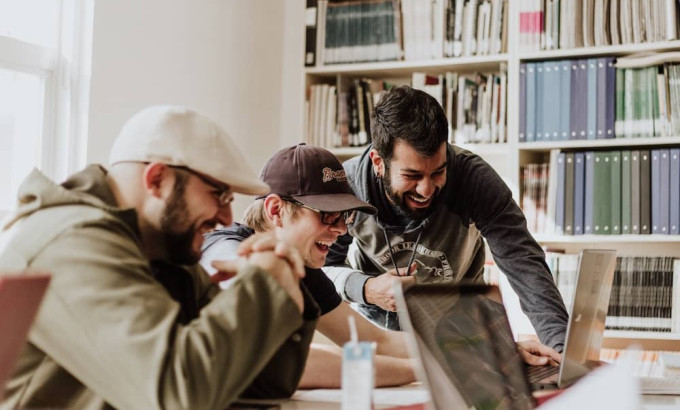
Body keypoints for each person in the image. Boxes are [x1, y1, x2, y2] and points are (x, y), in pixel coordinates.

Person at [0, 106, 315, 409]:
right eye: (218, 194)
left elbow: (261, 384)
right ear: (157, 180)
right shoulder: (72, 243)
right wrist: (263, 284)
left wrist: (284, 282)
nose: (227, 217)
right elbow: (179, 395)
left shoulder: (163, 249)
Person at [201, 144, 560, 390]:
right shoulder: (227, 253)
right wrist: (445, 369)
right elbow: (288, 362)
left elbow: (374, 340)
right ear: (276, 210)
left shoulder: (302, 267)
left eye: (344, 217)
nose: (341, 230)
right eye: (327, 216)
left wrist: (486, 350)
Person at [323, 85, 570, 354]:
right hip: (379, 338)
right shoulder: (347, 188)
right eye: (412, 176)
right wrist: (366, 288)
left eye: (438, 172)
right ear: (378, 162)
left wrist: (561, 351)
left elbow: (525, 265)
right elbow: (322, 269)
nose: (426, 190)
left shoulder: (474, 180)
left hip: (462, 334)